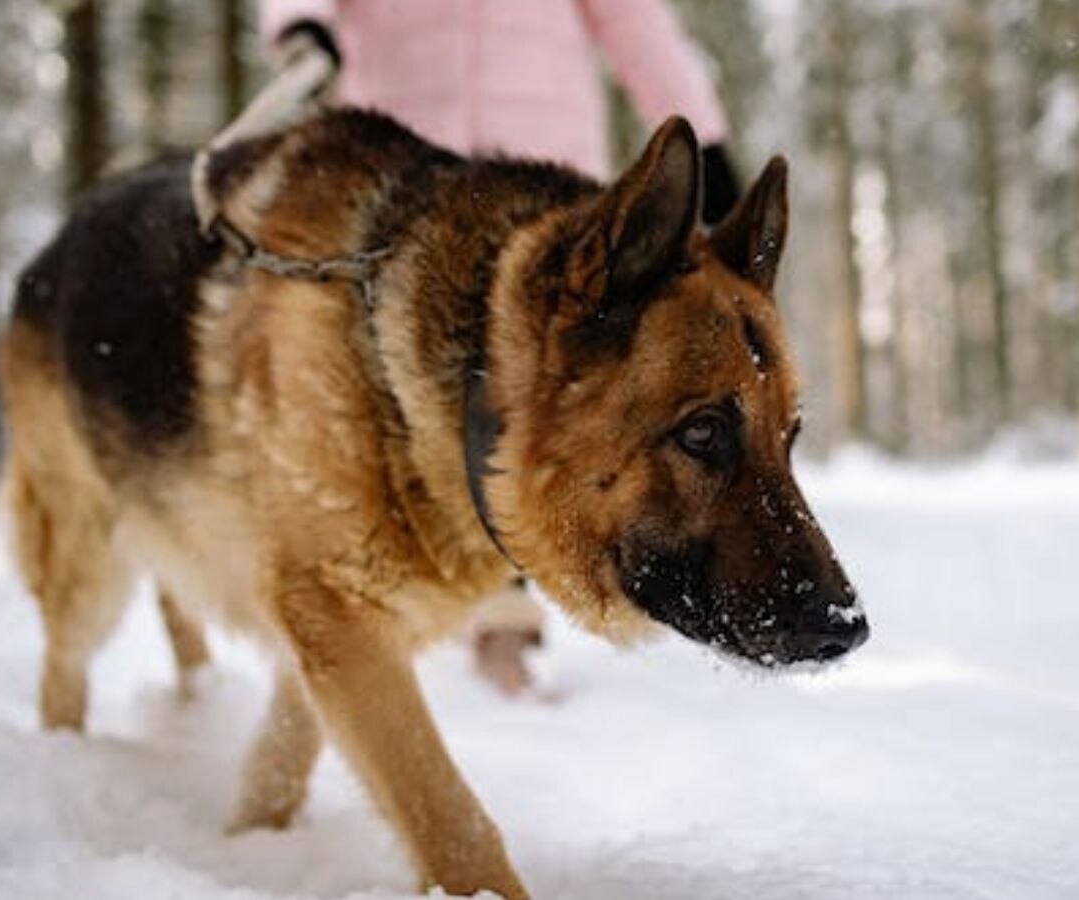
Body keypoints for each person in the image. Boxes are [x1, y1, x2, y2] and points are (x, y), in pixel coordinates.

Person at [257, 0, 743, 694]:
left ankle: (504, 621)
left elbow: (634, 22)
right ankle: (384, 581)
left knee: (533, 393)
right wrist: (303, 26)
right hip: (406, 159)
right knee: (395, 386)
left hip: (543, 164)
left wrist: (704, 134)